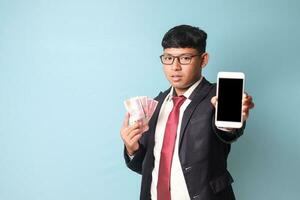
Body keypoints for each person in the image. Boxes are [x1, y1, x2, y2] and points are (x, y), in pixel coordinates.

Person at [120, 25, 254, 200]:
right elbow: (148, 168)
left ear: (203, 60)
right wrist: (132, 149)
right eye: (168, 58)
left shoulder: (217, 98)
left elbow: (226, 132)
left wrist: (230, 121)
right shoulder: (156, 104)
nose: (175, 67)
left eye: (185, 58)